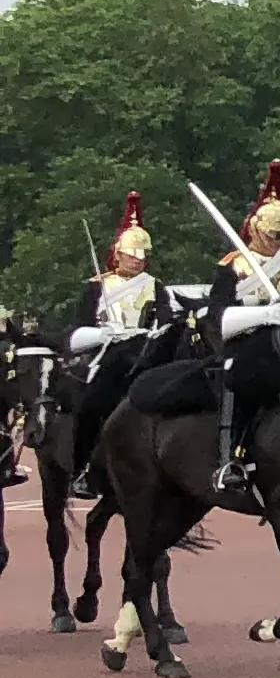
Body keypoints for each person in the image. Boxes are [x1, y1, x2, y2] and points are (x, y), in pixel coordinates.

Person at [208, 161, 280, 495]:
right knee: (250, 375)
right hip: (248, 342)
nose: (277, 242)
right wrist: (264, 314)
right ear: (254, 229)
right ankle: (233, 457)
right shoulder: (232, 266)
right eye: (272, 236)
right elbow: (219, 318)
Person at [61, 193, 168, 495]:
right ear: (118, 254)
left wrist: (154, 332)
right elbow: (75, 331)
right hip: (105, 354)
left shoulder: (154, 285)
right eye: (132, 254)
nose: (137, 260)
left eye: (142, 255)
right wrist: (102, 334)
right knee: (91, 403)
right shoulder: (98, 286)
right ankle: (82, 469)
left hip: (146, 352)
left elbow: (167, 318)